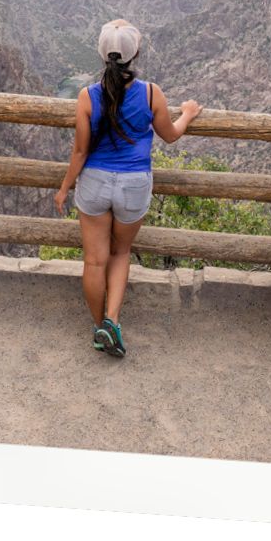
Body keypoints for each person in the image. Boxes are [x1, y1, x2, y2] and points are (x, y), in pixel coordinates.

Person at [54, 18, 203, 357]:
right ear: (135, 55)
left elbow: (79, 151)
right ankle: (112, 321)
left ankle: (98, 329)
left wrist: (64, 189)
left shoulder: (87, 96)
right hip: (134, 184)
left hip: (94, 182)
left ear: (101, 53)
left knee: (94, 261)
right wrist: (189, 114)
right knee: (120, 252)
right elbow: (170, 134)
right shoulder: (151, 93)